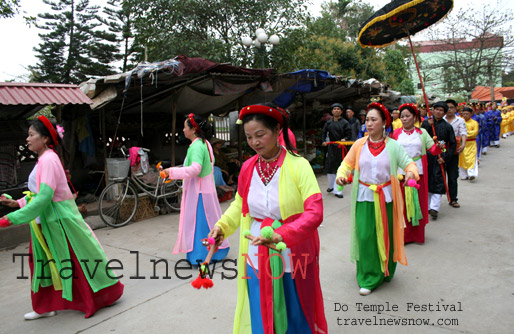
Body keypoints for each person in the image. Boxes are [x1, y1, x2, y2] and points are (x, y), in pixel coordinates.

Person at [209, 104, 327, 333]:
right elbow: (239, 206)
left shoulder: (298, 165)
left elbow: (314, 212)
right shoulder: (247, 168)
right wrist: (222, 226)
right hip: (256, 249)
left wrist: (281, 233)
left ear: (277, 130)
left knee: (295, 306)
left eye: (260, 135)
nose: (254, 142)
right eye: (249, 137)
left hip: (292, 249)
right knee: (261, 304)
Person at [0, 116, 123, 319]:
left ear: (46, 138)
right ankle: (46, 306)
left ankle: (100, 296)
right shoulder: (44, 159)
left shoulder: (48, 160)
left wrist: (12, 218)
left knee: (73, 262)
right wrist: (18, 203)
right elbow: (38, 195)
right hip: (44, 221)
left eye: (31, 134)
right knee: (43, 264)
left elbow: (45, 197)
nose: (27, 139)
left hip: (58, 221)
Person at [336, 102, 419, 296]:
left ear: (384, 123)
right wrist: (341, 175)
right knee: (365, 237)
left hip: (387, 198)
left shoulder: (394, 146)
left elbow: (409, 165)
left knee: (386, 235)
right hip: (364, 197)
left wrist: (411, 174)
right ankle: (368, 275)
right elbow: (345, 165)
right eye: (367, 120)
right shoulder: (359, 144)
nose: (369, 123)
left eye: (374, 120)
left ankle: (385, 270)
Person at [162, 114, 229, 265]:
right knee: (208, 224)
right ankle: (215, 251)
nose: (183, 129)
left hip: (199, 193)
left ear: (193, 130)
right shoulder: (205, 144)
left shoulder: (198, 145)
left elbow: (195, 169)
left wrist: (171, 172)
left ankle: (200, 254)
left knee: (199, 227)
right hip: (204, 191)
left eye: (185, 127)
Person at [391, 104, 443, 244]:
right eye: (402, 116)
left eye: (408, 116)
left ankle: (417, 235)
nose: (405, 119)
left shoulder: (422, 133)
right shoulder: (395, 133)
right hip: (401, 172)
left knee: (417, 203)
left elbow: (432, 150)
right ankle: (403, 235)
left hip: (418, 172)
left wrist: (439, 148)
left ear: (414, 117)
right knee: (402, 204)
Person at [421, 102, 457, 220]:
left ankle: (434, 208)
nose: (438, 112)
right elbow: (420, 137)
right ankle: (426, 207)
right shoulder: (426, 124)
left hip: (439, 158)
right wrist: (426, 125)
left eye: (441, 110)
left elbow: (452, 144)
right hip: (427, 156)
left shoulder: (447, 127)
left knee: (438, 181)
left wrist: (445, 157)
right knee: (427, 181)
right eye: (436, 109)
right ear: (432, 110)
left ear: (444, 113)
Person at [322, 103, 352, 198]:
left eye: (338, 109)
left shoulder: (345, 123)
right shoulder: (328, 123)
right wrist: (323, 141)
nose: (336, 110)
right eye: (334, 109)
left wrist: (345, 139)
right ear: (331, 111)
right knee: (330, 167)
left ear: (341, 111)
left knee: (340, 169)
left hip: (340, 148)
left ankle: (338, 191)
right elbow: (324, 133)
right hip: (331, 148)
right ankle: (331, 186)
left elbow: (349, 134)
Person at [443, 100, 467, 208]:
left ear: (456, 109)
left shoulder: (460, 120)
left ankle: (453, 199)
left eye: (452, 107)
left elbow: (463, 133)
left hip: (453, 151)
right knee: (439, 176)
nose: (449, 110)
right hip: (442, 152)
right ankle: (435, 201)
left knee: (452, 176)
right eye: (447, 107)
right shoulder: (440, 120)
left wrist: (463, 144)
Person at [458, 107, 479, 180]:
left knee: (472, 159)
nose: (465, 115)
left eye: (467, 114)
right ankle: (463, 175)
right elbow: (458, 132)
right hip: (462, 143)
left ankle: (471, 174)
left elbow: (475, 133)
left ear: (471, 114)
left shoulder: (474, 123)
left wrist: (464, 134)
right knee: (462, 159)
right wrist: (464, 134)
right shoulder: (460, 121)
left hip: (471, 143)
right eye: (464, 114)